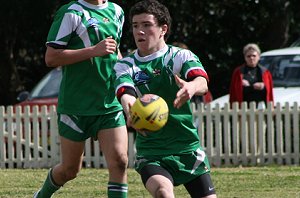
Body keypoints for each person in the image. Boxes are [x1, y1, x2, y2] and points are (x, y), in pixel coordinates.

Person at [113, 0, 217, 197]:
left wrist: (191, 86)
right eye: (135, 26)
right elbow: (125, 93)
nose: (139, 31)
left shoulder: (179, 56)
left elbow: (202, 81)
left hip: (187, 148)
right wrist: (131, 109)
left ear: (163, 29)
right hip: (152, 152)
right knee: (162, 192)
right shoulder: (125, 65)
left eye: (146, 25)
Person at [34, 0, 128, 197]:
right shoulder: (71, 12)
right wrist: (93, 51)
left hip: (109, 103)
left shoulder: (117, 12)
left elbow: (114, 51)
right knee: (70, 170)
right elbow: (51, 58)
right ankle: (41, 195)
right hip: (76, 106)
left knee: (120, 161)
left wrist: (125, 73)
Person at [229, 43, 274, 108]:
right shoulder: (238, 72)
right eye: (248, 56)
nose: (251, 58)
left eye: (254, 55)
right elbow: (233, 93)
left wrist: (263, 86)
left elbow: (270, 94)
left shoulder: (266, 72)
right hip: (243, 108)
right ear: (245, 57)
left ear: (258, 57)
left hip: (261, 107)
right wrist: (242, 85)